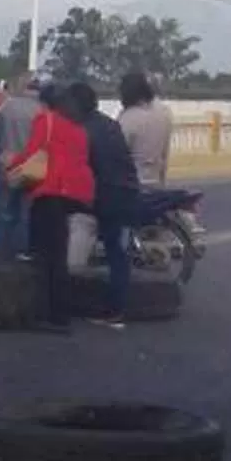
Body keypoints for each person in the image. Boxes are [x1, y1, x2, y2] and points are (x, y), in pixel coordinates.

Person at [6, 83, 93, 333]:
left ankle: (45, 312)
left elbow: (33, 152)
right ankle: (60, 311)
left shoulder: (46, 121)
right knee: (58, 253)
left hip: (49, 191)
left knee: (42, 256)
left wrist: (12, 163)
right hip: (71, 194)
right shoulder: (79, 128)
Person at [71, 82, 140, 329]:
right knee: (118, 254)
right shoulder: (109, 124)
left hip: (108, 197)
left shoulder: (82, 130)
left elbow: (85, 167)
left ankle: (113, 311)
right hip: (126, 192)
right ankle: (116, 309)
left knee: (115, 253)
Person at [0, 71, 44, 258]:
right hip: (33, 170)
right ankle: (22, 253)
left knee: (4, 214)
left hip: (7, 167)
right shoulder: (43, 111)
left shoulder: (7, 108)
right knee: (26, 216)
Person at [118, 72, 173, 186]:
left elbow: (117, 156)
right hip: (156, 179)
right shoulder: (164, 112)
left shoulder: (128, 118)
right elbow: (164, 154)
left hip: (133, 183)